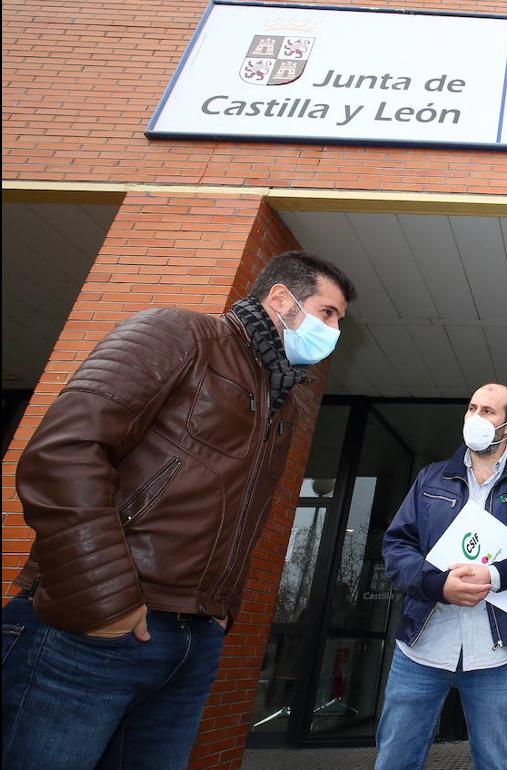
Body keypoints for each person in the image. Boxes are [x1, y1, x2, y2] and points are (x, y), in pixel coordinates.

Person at [1, 251, 356, 769]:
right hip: (89, 631)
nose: (334, 330)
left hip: (192, 639)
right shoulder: (180, 334)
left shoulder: (283, 398)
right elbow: (62, 454)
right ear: (280, 299)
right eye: (328, 312)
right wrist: (109, 600)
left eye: (340, 321)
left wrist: (217, 614)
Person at [376, 384, 507, 770]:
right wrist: (437, 584)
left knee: (497, 763)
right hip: (422, 648)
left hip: (495, 654)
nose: (476, 417)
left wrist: (497, 575)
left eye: (488, 411)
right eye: (472, 408)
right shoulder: (431, 478)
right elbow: (396, 547)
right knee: (395, 759)